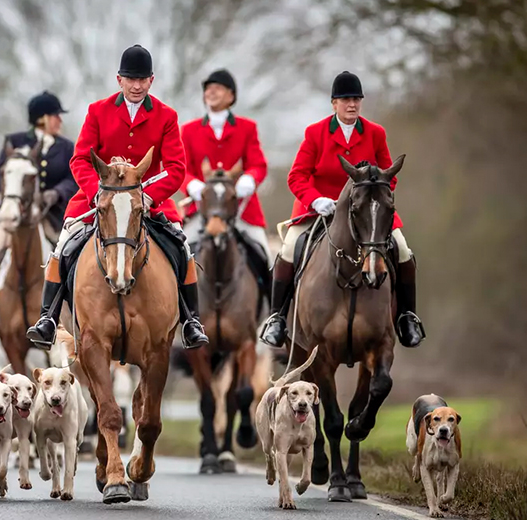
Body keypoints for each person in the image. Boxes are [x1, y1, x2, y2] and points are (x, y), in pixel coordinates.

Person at [26, 45, 210, 350]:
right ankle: (47, 318)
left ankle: (192, 320)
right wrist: (97, 193)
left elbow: (177, 168)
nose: (136, 86)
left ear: (151, 80)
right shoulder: (98, 111)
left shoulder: (166, 116)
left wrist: (147, 198)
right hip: (101, 201)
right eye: (130, 79)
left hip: (149, 202)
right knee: (62, 246)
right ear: (119, 80)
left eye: (142, 80)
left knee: (183, 247)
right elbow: (80, 160)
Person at [259, 71, 425, 348]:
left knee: (403, 249)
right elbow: (296, 176)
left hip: (366, 212)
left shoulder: (375, 133)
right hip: (319, 210)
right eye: (346, 99)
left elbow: (389, 176)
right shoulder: (315, 133)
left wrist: (373, 186)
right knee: (288, 250)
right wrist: (315, 199)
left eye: (356, 99)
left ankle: (407, 317)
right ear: (334, 103)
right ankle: (277, 319)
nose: (352, 105)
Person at [0, 91, 77, 340]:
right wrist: (12, 191)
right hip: (13, 216)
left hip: (51, 216)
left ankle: (72, 312)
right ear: (42, 118)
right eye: (56, 115)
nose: (59, 120)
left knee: (70, 257)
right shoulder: (14, 142)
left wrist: (55, 193)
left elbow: (73, 178)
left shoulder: (67, 147)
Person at [179, 69, 272, 298]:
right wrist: (192, 186)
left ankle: (273, 317)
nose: (211, 92)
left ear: (231, 95)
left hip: (241, 210)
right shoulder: (189, 130)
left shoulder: (247, 127)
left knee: (266, 256)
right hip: (201, 211)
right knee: (180, 253)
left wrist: (249, 179)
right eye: (208, 89)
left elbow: (258, 164)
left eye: (217, 88)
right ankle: (182, 316)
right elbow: (181, 169)